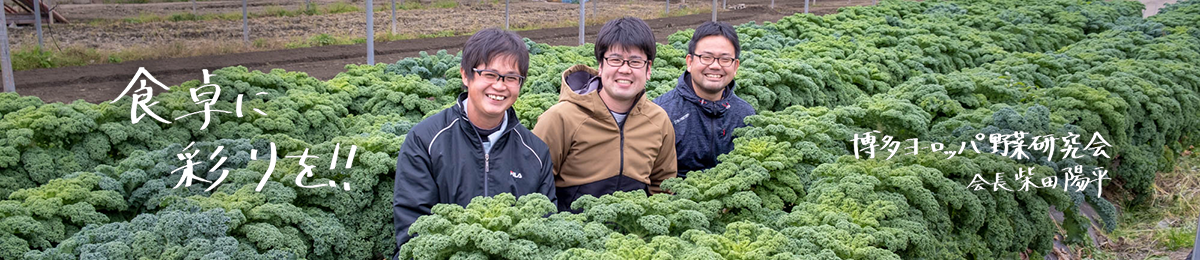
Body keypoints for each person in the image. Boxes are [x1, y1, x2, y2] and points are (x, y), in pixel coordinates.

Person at [393, 28, 555, 252]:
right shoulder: (425, 141)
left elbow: (546, 229)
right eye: (489, 74)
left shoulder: (535, 152)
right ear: (465, 75)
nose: (499, 85)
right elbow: (413, 230)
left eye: (511, 78)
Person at [533, 17, 677, 212]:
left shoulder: (658, 121)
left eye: (635, 62)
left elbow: (663, 188)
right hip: (573, 236)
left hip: (631, 239)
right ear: (601, 66)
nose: (625, 70)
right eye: (615, 60)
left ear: (648, 69)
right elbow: (534, 187)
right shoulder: (560, 118)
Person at [653, 21, 755, 179]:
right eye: (706, 57)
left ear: (735, 66)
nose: (715, 66)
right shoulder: (662, 112)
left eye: (725, 59)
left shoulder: (745, 115)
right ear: (689, 62)